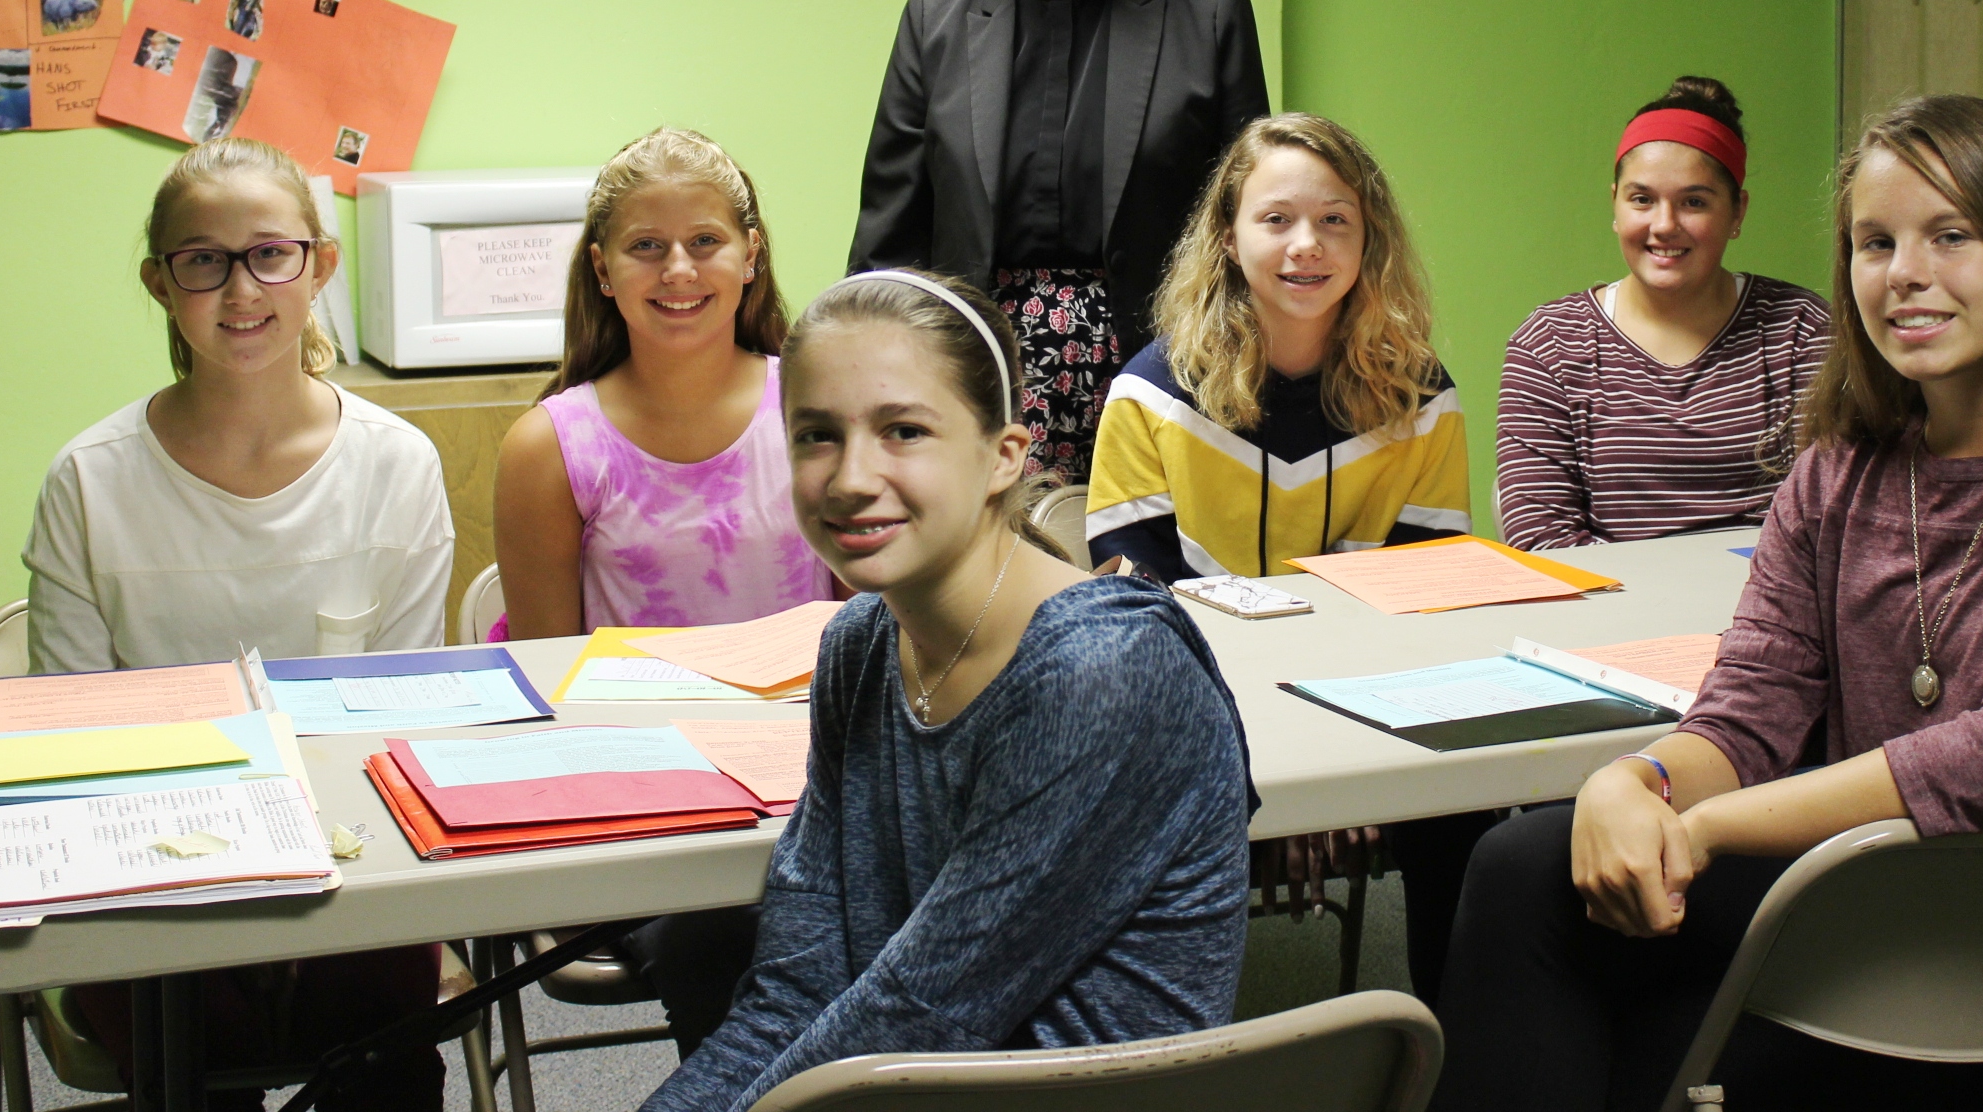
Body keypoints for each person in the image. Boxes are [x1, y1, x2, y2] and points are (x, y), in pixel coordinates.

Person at [1432, 94, 1983, 1112]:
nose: (1903, 273)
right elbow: (1751, 709)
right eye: (1875, 243)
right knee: (1525, 868)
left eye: (1951, 235)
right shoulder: (1840, 473)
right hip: (1852, 919)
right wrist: (1638, 779)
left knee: (1622, 1029)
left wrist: (1705, 830)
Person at [640, 270, 1254, 1112]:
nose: (850, 477)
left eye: (904, 431)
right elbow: (795, 987)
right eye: (816, 435)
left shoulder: (1102, 671)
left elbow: (924, 1013)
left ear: (1004, 456)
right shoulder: (861, 643)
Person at [23, 137, 453, 1112]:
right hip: (154, 867)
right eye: (203, 261)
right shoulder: (89, 481)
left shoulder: (396, 464)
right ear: (161, 283)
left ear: (320, 265)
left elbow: (402, 715)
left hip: (353, 861)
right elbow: (70, 736)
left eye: (270, 254)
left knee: (383, 1059)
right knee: (193, 1056)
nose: (241, 288)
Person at [1084, 111, 1474, 1004]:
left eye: (1335, 219)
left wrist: (1342, 773)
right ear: (1228, 236)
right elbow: (1140, 625)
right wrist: (1278, 773)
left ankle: (1455, 1047)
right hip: (1194, 723)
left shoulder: (1422, 398)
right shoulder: (1149, 396)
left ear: (1370, 238)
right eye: (1276, 219)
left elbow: (1423, 611)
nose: (1307, 244)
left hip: (1372, 713)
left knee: (1467, 810)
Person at [493, 128, 833, 1055]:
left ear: (751, 255)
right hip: (643, 809)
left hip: (813, 790)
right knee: (730, 935)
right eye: (647, 246)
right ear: (602, 269)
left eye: (705, 241)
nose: (678, 269)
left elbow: (872, 625)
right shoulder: (551, 446)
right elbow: (549, 688)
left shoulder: (817, 410)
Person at [851, 0, 1270, 484]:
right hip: (978, 377)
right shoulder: (936, 15)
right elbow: (891, 233)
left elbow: (1245, 219)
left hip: (1163, 369)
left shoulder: (1208, 7)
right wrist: (867, 384)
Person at [1498, 76, 1831, 547]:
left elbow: (1827, 517)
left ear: (1737, 212)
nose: (1664, 225)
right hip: (1609, 596)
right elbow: (1541, 536)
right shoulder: (1549, 344)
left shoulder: (1802, 329)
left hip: (1772, 591)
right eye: (1642, 199)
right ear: (1615, 204)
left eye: (1694, 202)